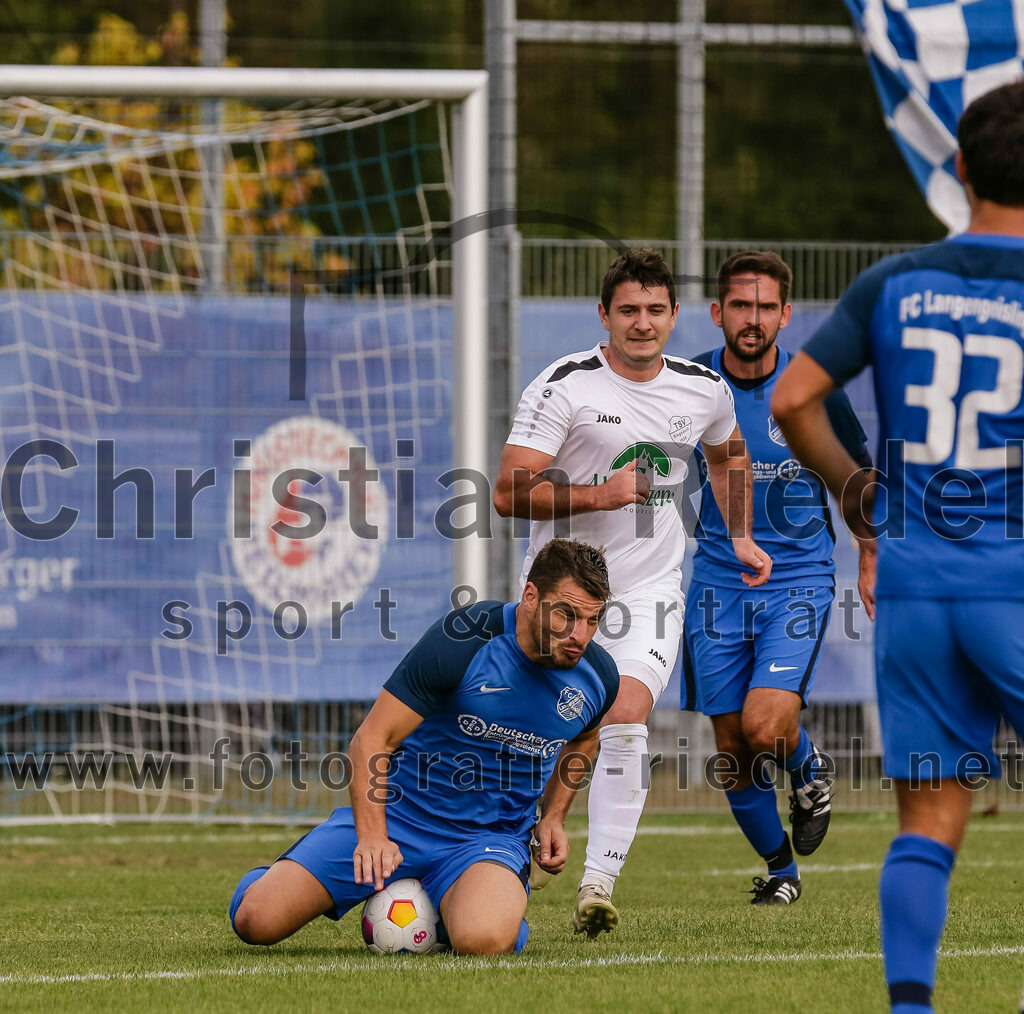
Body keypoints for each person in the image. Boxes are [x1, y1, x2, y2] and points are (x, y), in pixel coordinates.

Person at [771, 80, 1024, 1014]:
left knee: (929, 821)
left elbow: (793, 400)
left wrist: (857, 494)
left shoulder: (896, 281)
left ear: (961, 170)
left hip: (917, 589)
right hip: (1016, 581)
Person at [493, 247, 772, 938]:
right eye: (628, 311)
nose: (642, 324)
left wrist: (737, 534)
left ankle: (598, 884)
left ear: (674, 315)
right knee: (541, 727)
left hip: (648, 588)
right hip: (561, 591)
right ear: (603, 316)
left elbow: (727, 453)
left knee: (622, 719)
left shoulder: (702, 389)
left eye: (654, 310)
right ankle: (516, 843)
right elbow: (506, 491)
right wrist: (599, 492)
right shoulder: (563, 386)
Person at [228, 538, 619, 955]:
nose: (580, 635)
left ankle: (485, 902)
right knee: (256, 921)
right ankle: (274, 877)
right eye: (567, 615)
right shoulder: (464, 640)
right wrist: (374, 837)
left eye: (592, 621)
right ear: (529, 597)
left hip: (487, 839)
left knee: (484, 941)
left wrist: (553, 818)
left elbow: (585, 737)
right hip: (399, 816)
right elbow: (371, 740)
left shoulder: (597, 677)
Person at [683, 251, 872, 906]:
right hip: (715, 579)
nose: (753, 319)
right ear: (718, 313)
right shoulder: (692, 382)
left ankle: (808, 769)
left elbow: (855, 479)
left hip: (798, 575)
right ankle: (781, 871)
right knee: (731, 746)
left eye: (766, 307)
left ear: (785, 315)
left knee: (767, 725)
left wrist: (869, 554)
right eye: (741, 305)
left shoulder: (811, 389)